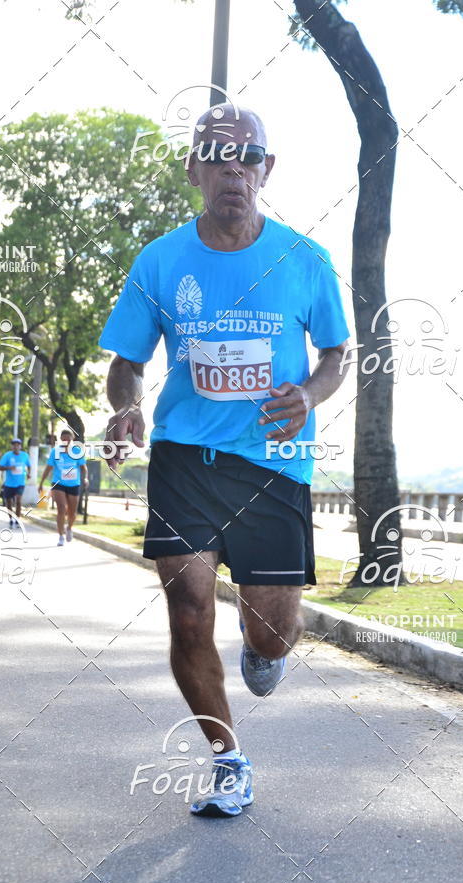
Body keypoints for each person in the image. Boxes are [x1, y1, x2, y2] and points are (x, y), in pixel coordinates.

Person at [99, 106, 350, 818]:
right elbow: (128, 362)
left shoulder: (305, 260)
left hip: (274, 462)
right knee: (188, 610)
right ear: (194, 171)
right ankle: (227, 759)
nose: (232, 170)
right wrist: (127, 406)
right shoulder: (160, 260)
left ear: (267, 170)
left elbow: (336, 357)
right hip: (185, 458)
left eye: (246, 158)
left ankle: (264, 652)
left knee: (270, 631)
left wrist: (308, 393)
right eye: (216, 157)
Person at [39, 429, 88, 547]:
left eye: (69, 439)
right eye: (64, 439)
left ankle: (69, 528)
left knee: (72, 512)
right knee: (61, 508)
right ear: (61, 439)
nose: (66, 441)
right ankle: (60, 536)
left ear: (72, 440)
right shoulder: (55, 452)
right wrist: (41, 482)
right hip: (58, 483)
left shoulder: (77, 451)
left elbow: (83, 468)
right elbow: (48, 468)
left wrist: (85, 478)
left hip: (73, 484)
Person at [0, 438, 31, 525]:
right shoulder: (7, 456)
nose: (16, 447)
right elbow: (0, 467)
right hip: (9, 483)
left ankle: (17, 519)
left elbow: (29, 465)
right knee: (9, 502)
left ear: (20, 446)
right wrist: (9, 468)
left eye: (18, 445)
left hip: (20, 483)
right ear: (12, 446)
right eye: (14, 445)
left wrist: (28, 473)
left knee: (18, 501)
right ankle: (11, 519)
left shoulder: (25, 455)